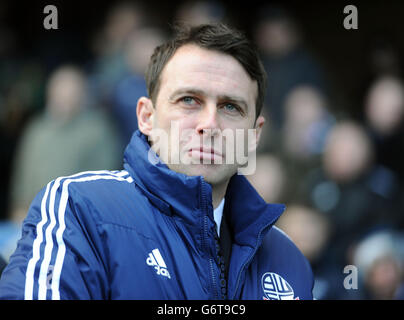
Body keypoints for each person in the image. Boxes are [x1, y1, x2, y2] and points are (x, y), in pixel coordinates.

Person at [0, 23, 313, 300]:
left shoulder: (288, 259)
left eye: (231, 107)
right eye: (189, 100)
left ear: (254, 135)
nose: (209, 124)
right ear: (146, 117)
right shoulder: (80, 208)